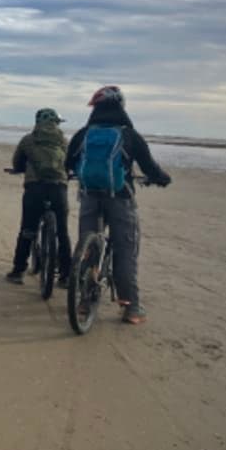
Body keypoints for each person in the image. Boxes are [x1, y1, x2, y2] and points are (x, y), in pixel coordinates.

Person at [65, 85, 171, 325]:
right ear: (121, 107)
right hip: (120, 197)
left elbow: (68, 162)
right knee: (125, 249)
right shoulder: (128, 135)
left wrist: (77, 174)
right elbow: (149, 167)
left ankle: (83, 302)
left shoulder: (84, 134)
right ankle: (131, 306)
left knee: (87, 247)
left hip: (89, 195)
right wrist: (161, 178)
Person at [5, 108, 71, 287]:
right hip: (58, 188)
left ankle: (18, 271)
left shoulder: (28, 140)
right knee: (62, 233)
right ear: (56, 123)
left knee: (27, 229)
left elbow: (17, 162)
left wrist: (20, 169)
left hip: (35, 188)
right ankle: (65, 276)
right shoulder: (63, 141)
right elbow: (70, 163)